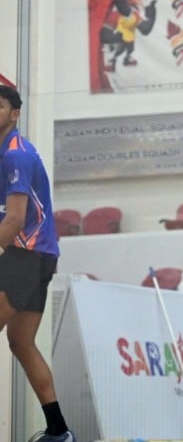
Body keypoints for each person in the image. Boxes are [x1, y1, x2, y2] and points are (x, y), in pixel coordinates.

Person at [0, 85, 75, 442]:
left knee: (21, 341)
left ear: (15, 114)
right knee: (21, 341)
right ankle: (59, 431)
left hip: (27, 256)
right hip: (35, 257)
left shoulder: (16, 155)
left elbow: (15, 220)